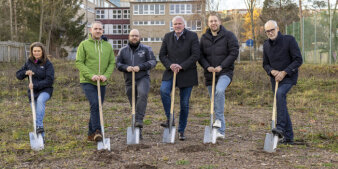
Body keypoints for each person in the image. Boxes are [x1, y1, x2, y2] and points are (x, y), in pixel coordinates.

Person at [198, 13, 239, 139]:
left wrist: (221, 66)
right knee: (214, 102)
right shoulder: (204, 38)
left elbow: (234, 52)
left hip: (225, 72)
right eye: (211, 21)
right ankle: (219, 130)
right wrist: (207, 67)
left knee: (220, 91)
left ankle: (220, 127)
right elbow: (200, 56)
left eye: (215, 21)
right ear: (208, 23)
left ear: (220, 22)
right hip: (210, 75)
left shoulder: (228, 35)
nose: (213, 23)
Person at [159, 16, 200, 140]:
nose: (177, 26)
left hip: (187, 72)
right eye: (175, 24)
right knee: (163, 90)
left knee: (184, 103)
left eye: (179, 23)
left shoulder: (192, 36)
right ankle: (170, 118)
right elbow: (162, 55)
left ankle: (181, 130)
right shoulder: (167, 37)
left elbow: (195, 55)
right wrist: (170, 65)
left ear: (184, 25)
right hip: (171, 72)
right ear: (172, 25)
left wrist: (181, 66)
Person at [263, 20, 303, 145]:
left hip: (288, 77)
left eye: (272, 30)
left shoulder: (289, 40)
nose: (270, 33)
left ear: (278, 28)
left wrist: (284, 72)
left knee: (279, 95)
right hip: (275, 79)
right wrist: (272, 71)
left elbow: (298, 60)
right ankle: (289, 137)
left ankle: (279, 127)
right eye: (267, 31)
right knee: (281, 105)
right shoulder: (266, 45)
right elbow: (265, 64)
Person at [76, 21, 115, 142]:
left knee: (97, 107)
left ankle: (90, 134)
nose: (98, 31)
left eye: (100, 29)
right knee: (95, 104)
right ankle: (98, 131)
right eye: (96, 28)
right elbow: (79, 62)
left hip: (102, 82)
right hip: (87, 81)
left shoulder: (107, 46)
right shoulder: (84, 44)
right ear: (91, 30)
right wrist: (90, 75)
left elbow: (112, 63)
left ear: (102, 31)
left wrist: (106, 75)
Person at [116, 29, 157, 139]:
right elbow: (118, 64)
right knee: (134, 104)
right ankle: (138, 130)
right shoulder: (123, 50)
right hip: (129, 80)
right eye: (132, 36)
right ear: (129, 37)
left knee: (142, 95)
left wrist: (141, 67)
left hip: (142, 78)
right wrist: (126, 67)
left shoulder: (146, 49)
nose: (134, 37)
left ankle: (139, 121)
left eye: (136, 36)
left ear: (140, 37)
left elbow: (153, 62)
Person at [16, 42, 55, 138]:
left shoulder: (48, 64)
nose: (36, 53)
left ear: (42, 52)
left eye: (38, 51)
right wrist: (25, 72)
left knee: (41, 100)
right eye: (34, 51)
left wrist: (35, 85)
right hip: (32, 92)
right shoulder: (29, 62)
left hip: (45, 90)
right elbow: (18, 75)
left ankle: (39, 127)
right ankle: (41, 138)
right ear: (32, 52)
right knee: (36, 113)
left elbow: (49, 80)